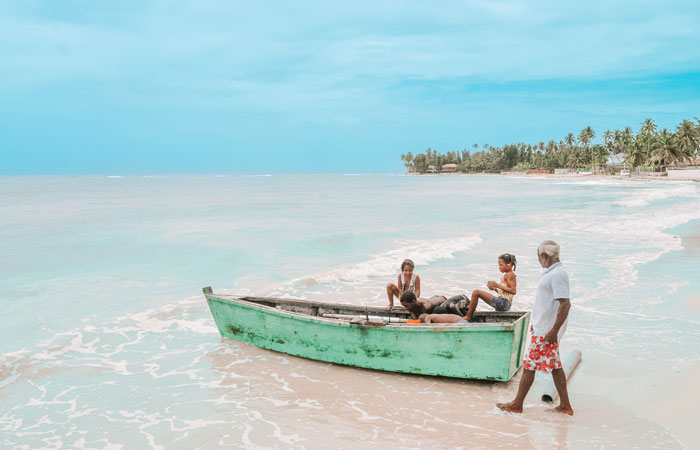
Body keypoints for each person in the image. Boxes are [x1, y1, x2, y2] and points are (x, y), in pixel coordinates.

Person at [497, 240, 573, 415]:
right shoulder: (553, 272)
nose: (538, 260)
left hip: (546, 331)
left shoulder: (557, 274)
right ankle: (565, 406)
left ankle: (517, 404)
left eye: (539, 256)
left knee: (529, 366)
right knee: (555, 366)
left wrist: (553, 331)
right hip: (544, 328)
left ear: (544, 256)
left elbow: (565, 304)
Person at [463, 253, 517, 322]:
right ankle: (469, 316)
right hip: (504, 303)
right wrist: (495, 289)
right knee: (476, 292)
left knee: (476, 292)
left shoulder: (510, 275)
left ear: (509, 264)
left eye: (501, 265)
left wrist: (498, 285)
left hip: (504, 303)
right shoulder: (507, 275)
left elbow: (513, 291)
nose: (499, 267)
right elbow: (506, 293)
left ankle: (468, 317)